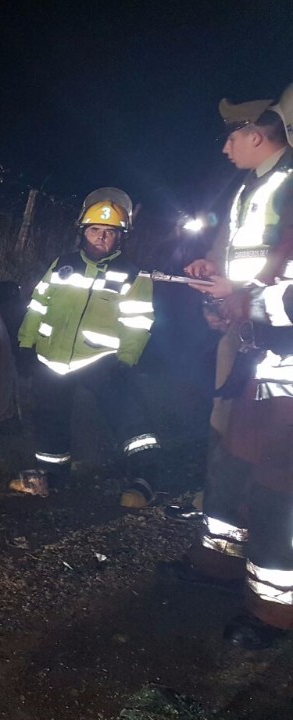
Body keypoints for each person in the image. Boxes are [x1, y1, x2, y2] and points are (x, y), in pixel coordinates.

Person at [172, 84, 293, 649]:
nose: (223, 149)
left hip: (283, 360)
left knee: (279, 482)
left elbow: (280, 286)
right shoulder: (255, 189)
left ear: (255, 134)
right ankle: (220, 565)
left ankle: (273, 614)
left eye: (229, 137)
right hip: (254, 353)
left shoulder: (287, 186)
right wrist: (220, 292)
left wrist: (241, 299)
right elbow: (246, 266)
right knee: (234, 460)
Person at [12, 187, 161, 507]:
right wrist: (26, 345)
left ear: (121, 238)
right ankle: (52, 479)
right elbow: (38, 306)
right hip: (51, 358)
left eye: (110, 232)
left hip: (103, 360)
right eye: (95, 229)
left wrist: (126, 360)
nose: (101, 238)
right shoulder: (62, 264)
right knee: (49, 418)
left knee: (128, 418)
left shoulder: (134, 275)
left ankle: (144, 479)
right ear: (83, 232)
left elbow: (138, 322)